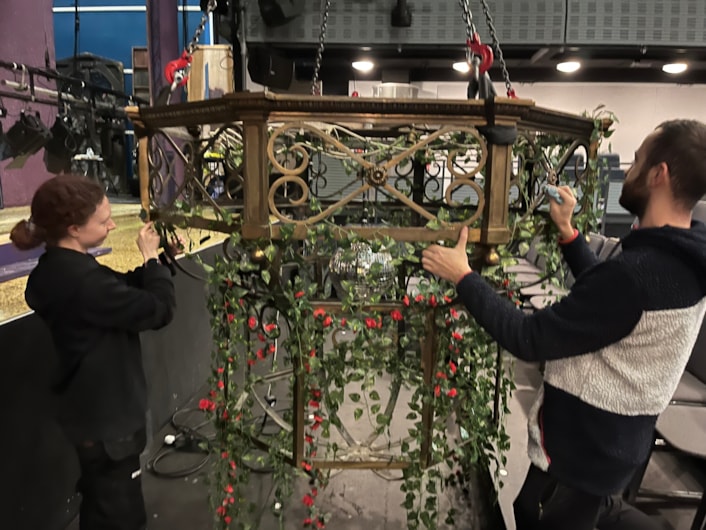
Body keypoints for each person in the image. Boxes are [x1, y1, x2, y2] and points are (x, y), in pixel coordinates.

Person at [421, 119, 706, 530]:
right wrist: (568, 233)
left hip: (581, 455)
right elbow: (612, 306)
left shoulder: (638, 274)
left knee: (539, 514)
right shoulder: (681, 259)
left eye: (638, 161)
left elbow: (528, 338)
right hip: (615, 445)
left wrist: (463, 277)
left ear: (659, 175)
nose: (628, 172)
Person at [10, 174, 177, 530]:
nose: (113, 224)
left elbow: (118, 286)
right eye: (104, 221)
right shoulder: (81, 283)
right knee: (121, 516)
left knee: (102, 505)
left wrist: (157, 263)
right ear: (73, 228)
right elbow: (158, 310)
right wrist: (150, 261)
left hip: (87, 415)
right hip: (108, 424)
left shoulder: (57, 269)